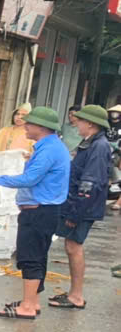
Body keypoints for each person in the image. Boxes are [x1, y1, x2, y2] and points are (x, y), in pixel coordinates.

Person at [0, 106, 70, 319]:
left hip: (39, 211)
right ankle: (32, 302)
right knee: (37, 256)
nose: (25, 125)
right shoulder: (49, 147)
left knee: (30, 258)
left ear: (41, 127)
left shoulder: (49, 150)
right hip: (42, 210)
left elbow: (29, 179)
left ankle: (27, 307)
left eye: (29, 123)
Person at [49, 104, 112, 309]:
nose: (76, 123)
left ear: (91, 124)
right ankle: (74, 293)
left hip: (83, 206)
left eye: (81, 120)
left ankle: (76, 296)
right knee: (71, 246)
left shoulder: (99, 146)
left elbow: (89, 184)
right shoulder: (90, 143)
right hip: (79, 204)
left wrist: (75, 213)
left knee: (74, 247)